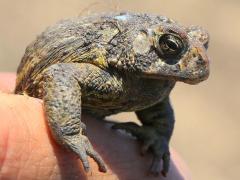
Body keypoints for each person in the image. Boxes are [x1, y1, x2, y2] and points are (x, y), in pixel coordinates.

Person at [0, 73, 190, 180]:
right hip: (40, 94)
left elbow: (155, 101)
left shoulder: (149, 82)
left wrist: (159, 134)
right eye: (171, 46)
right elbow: (62, 76)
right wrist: (69, 130)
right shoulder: (110, 74)